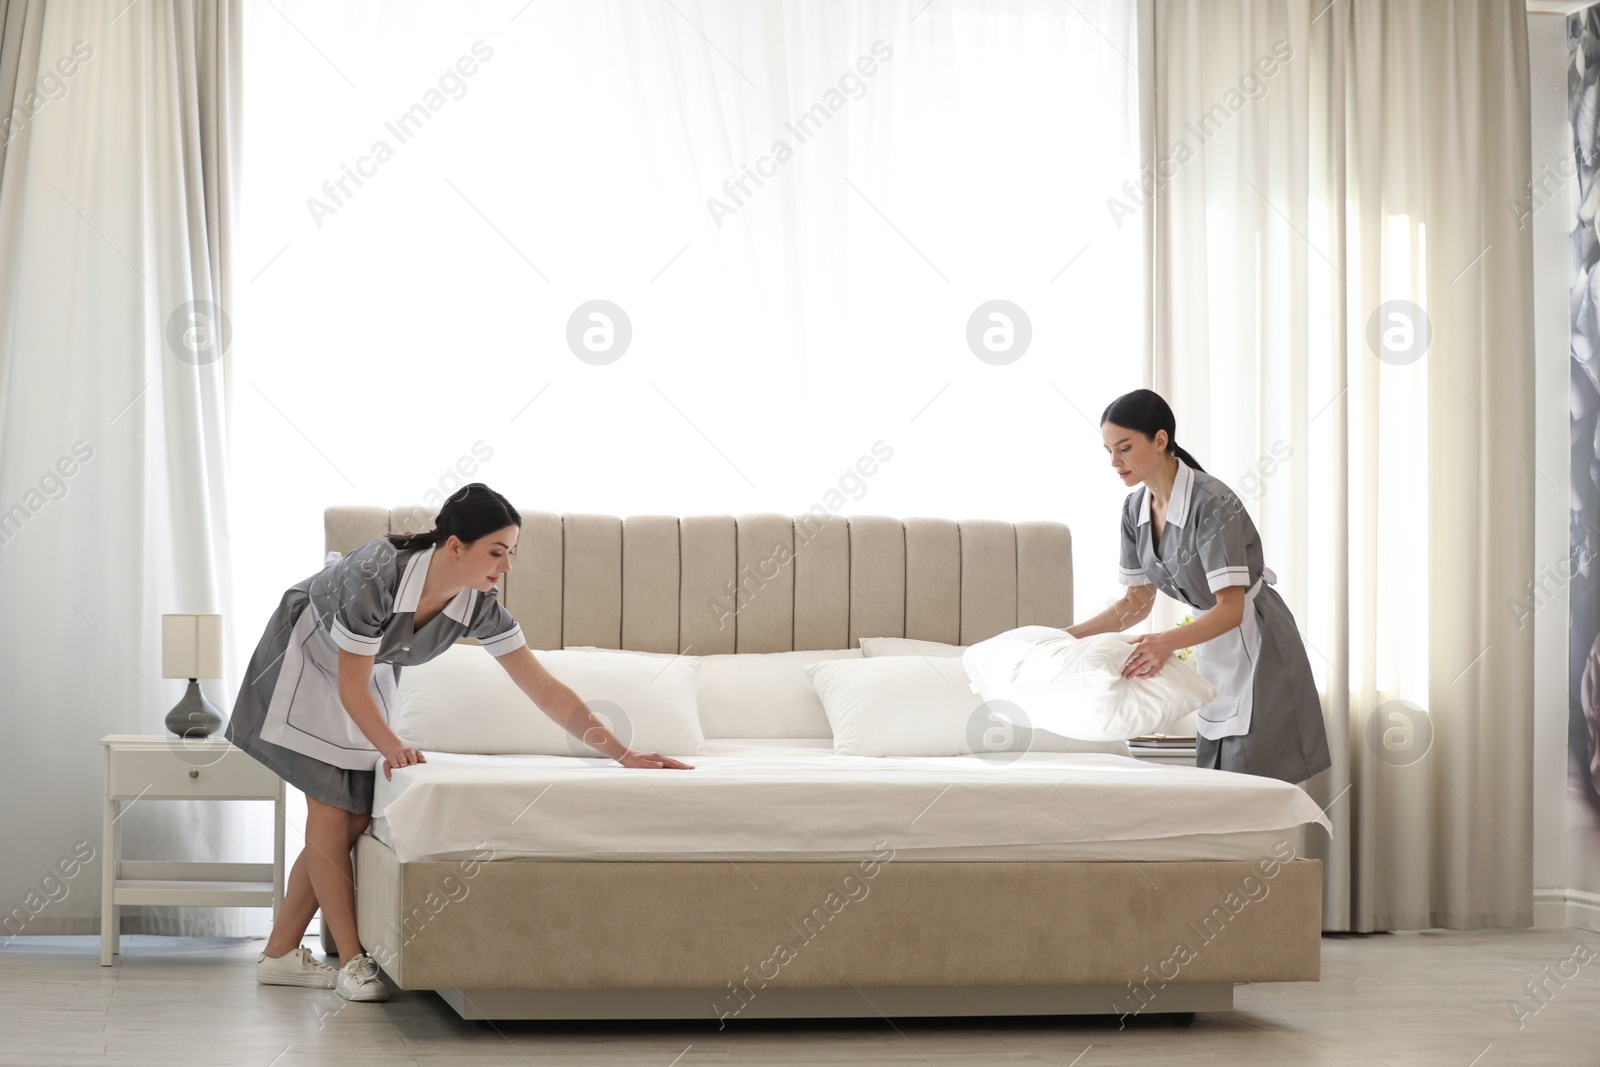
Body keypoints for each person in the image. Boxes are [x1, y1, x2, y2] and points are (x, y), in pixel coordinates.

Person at [225, 483, 693, 1002]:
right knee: (332, 810)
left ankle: (280, 953)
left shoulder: (478, 607)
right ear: (454, 545)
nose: (506, 566)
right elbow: (349, 685)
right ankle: (354, 964)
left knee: (355, 816)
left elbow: (542, 687)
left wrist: (622, 753)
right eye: (496, 552)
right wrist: (392, 745)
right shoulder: (376, 576)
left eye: (511, 553)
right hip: (306, 657)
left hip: (360, 673)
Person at [1066, 389, 1331, 785]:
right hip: (1214, 643)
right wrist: (1065, 637)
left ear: (1159, 440)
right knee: (1218, 781)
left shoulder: (1212, 503)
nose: (1114, 462)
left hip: (1260, 647)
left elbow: (1231, 608)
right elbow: (1136, 603)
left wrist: (1165, 643)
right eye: (1108, 450)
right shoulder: (1134, 510)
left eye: (1123, 448)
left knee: (1255, 782)